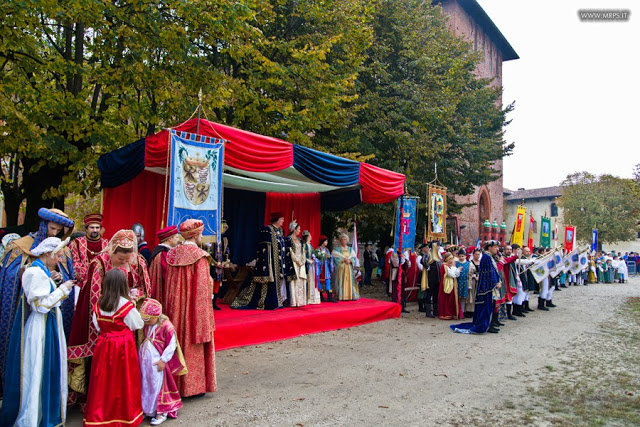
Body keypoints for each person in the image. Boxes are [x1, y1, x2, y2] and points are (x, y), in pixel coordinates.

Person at [67, 229, 151, 407]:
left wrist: (136, 296)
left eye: (127, 259)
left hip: (130, 319)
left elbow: (145, 288)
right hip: (107, 321)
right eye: (120, 259)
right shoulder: (98, 264)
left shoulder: (139, 262)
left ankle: (128, 399)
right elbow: (94, 298)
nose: (124, 263)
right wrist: (118, 303)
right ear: (112, 250)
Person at [0, 237, 74, 426]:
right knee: (36, 372)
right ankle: (31, 419)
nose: (59, 259)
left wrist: (56, 285)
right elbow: (40, 305)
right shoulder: (34, 272)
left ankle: (41, 414)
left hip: (48, 325)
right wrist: (63, 290)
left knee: (43, 371)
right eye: (57, 255)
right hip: (40, 327)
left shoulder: (42, 271)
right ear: (48, 254)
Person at [84, 268, 144, 426]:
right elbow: (138, 324)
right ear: (124, 284)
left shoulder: (99, 303)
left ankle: (100, 416)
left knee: (103, 381)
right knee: (124, 381)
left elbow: (97, 326)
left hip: (104, 345)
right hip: (123, 346)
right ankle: (124, 415)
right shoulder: (126, 306)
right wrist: (132, 303)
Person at [165, 219, 216, 397]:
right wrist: (204, 322)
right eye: (201, 233)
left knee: (176, 339)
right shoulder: (199, 256)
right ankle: (193, 388)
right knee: (191, 343)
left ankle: (174, 384)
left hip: (175, 309)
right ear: (194, 235)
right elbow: (202, 290)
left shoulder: (172, 254)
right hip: (193, 309)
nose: (202, 236)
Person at [139, 298, 187, 425]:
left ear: (156, 316)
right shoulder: (149, 324)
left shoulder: (167, 326)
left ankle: (161, 412)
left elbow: (171, 346)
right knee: (145, 385)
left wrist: (163, 360)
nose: (146, 322)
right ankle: (147, 410)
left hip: (157, 363)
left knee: (156, 386)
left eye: (148, 319)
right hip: (145, 363)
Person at [232, 212, 287, 310]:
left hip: (278, 262)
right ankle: (267, 302)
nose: (283, 221)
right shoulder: (267, 230)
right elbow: (264, 248)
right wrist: (266, 264)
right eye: (282, 219)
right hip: (270, 262)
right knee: (268, 283)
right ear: (277, 219)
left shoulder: (281, 231)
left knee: (277, 281)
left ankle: (278, 302)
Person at [450, 240, 502, 334]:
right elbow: (488, 274)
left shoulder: (489, 257)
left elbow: (494, 271)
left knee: (490, 306)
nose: (497, 249)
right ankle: (486, 325)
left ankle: (490, 324)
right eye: (495, 247)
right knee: (486, 307)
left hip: (490, 287)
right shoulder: (486, 258)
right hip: (487, 288)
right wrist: (495, 283)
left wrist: (498, 280)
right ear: (489, 247)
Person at [69, 213, 109, 288]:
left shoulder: (106, 244)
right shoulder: (76, 243)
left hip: (102, 284)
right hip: (82, 284)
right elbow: (75, 264)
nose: (95, 230)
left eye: (97, 228)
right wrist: (91, 276)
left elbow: (108, 264)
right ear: (86, 228)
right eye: (92, 227)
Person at [210, 220, 237, 310]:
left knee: (217, 284)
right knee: (210, 284)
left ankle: (214, 303)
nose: (224, 229)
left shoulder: (224, 240)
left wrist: (224, 263)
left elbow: (227, 252)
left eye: (225, 228)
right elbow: (208, 252)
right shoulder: (211, 238)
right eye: (223, 227)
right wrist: (214, 263)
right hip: (211, 265)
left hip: (220, 265)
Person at [149, 225, 180, 303]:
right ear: (170, 239)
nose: (178, 239)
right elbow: (168, 273)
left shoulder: (162, 252)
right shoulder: (163, 253)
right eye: (176, 237)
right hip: (163, 291)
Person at [285, 220, 307, 307]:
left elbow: (303, 251)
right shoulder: (288, 239)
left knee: (301, 281)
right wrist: (297, 261)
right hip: (293, 263)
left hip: (301, 263)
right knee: (294, 281)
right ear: (294, 229)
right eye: (298, 229)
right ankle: (294, 301)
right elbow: (289, 252)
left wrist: (303, 260)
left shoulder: (300, 240)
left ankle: (301, 301)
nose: (300, 231)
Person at [332, 234, 359, 301]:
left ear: (347, 241)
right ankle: (341, 295)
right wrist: (343, 260)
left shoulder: (350, 249)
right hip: (341, 269)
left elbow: (353, 257)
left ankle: (350, 295)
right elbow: (335, 258)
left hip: (349, 268)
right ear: (340, 241)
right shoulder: (337, 249)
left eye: (345, 239)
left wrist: (350, 261)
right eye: (342, 239)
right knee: (342, 280)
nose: (344, 241)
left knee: (349, 280)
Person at [438, 251, 461, 320]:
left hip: (451, 284)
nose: (451, 261)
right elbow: (453, 275)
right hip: (446, 285)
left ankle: (451, 313)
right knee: (446, 299)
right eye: (450, 259)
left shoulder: (450, 266)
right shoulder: (444, 266)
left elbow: (456, 275)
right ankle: (445, 313)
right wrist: (458, 270)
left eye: (451, 259)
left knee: (451, 299)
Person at [314, 235, 336, 303]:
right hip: (321, 268)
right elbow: (317, 258)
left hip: (326, 267)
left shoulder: (326, 249)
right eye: (326, 241)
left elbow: (330, 257)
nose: (327, 242)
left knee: (328, 281)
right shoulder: (318, 249)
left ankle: (329, 296)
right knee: (320, 282)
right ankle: (320, 296)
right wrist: (324, 256)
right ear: (322, 241)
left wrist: (330, 257)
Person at [302, 231, 321, 305]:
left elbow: (313, 254)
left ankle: (313, 298)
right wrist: (308, 261)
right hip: (308, 265)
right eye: (310, 235)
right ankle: (308, 298)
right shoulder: (304, 245)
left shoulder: (311, 245)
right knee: (308, 280)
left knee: (313, 280)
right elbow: (303, 255)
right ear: (307, 237)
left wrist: (315, 259)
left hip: (312, 266)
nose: (311, 237)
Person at [455, 249, 472, 319]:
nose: (461, 257)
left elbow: (471, 272)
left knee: (463, 298)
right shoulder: (456, 263)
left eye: (462, 256)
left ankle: (462, 312)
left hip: (465, 282)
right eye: (460, 256)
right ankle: (457, 311)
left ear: (465, 256)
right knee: (457, 297)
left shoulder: (469, 264)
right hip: (457, 282)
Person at [427, 242, 442, 317]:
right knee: (429, 294)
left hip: (437, 277)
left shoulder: (438, 254)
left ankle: (435, 311)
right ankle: (428, 312)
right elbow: (422, 261)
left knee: (436, 294)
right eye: (438, 246)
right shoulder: (429, 253)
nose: (439, 247)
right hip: (430, 277)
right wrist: (428, 267)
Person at [416, 243, 430, 314]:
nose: (428, 249)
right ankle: (420, 306)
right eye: (426, 248)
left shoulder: (427, 256)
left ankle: (425, 305)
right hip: (422, 274)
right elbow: (420, 267)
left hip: (427, 275)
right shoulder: (419, 257)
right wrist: (427, 268)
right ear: (423, 249)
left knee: (426, 290)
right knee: (421, 290)